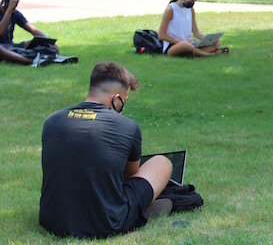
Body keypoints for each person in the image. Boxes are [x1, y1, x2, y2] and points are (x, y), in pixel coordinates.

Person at [40, 62, 173, 238]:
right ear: (116, 99)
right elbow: (129, 176)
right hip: (107, 223)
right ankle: (140, 208)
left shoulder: (52, 121)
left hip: (52, 220)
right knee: (162, 162)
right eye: (123, 102)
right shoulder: (128, 127)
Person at [158, 0, 228, 57]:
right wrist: (182, 42)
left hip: (189, 43)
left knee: (217, 43)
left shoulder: (191, 10)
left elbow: (196, 32)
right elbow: (161, 35)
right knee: (185, 45)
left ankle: (192, 53)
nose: (192, 3)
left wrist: (210, 40)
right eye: (191, 1)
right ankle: (209, 54)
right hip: (173, 46)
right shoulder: (171, 9)